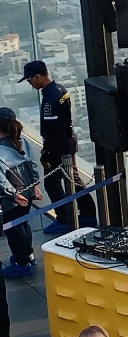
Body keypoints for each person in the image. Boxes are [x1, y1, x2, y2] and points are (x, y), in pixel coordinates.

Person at [22, 59, 96, 235]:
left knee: (53, 182)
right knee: (73, 178)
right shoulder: (60, 90)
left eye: (29, 79)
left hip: (59, 145)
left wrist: (46, 154)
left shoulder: (50, 98)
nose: (30, 83)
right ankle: (88, 214)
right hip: (68, 141)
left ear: (38, 76)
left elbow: (51, 130)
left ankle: (65, 219)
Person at [0, 106, 42, 276]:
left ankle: (21, 262)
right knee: (23, 224)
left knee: (13, 228)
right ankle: (28, 254)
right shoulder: (23, 141)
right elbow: (32, 165)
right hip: (28, 190)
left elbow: (1, 178)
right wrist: (35, 186)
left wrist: (13, 194)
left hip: (13, 197)